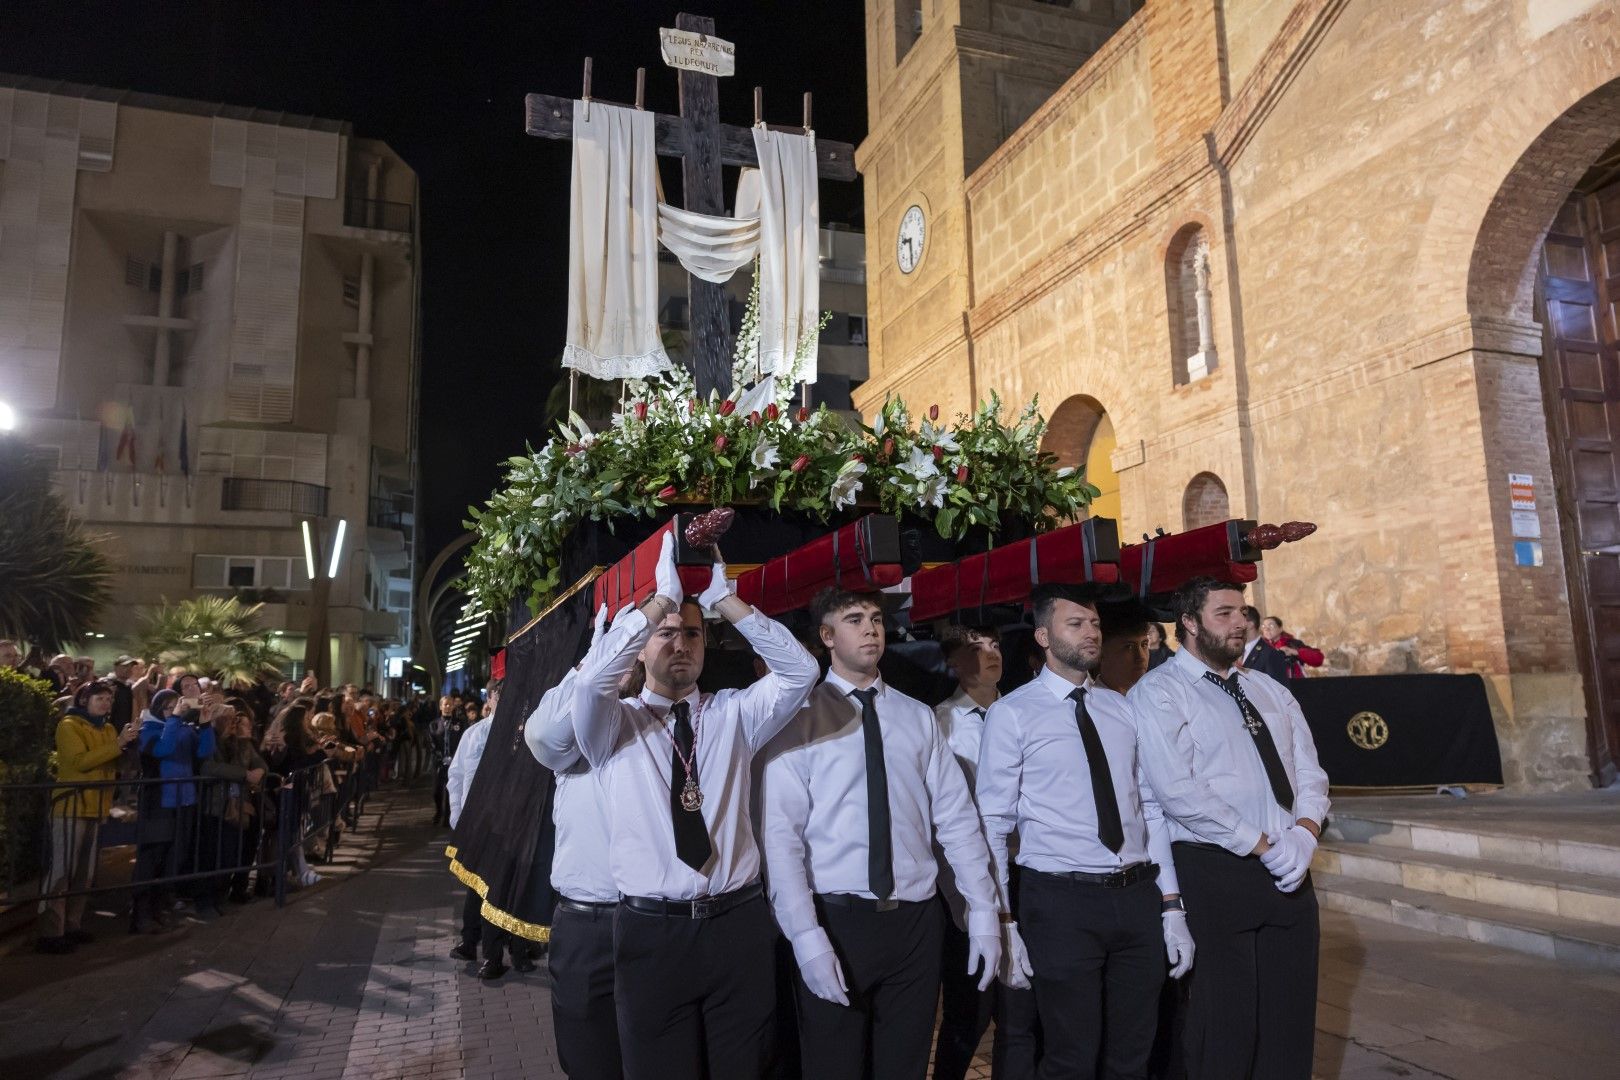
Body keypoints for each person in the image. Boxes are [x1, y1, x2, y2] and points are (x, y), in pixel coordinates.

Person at [572, 534, 819, 1080]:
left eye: (692, 632)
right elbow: (590, 687)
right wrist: (657, 602)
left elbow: (801, 673)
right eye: (666, 634)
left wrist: (725, 601)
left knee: (746, 1069)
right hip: (652, 933)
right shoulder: (615, 725)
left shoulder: (734, 713)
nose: (680, 643)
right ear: (641, 647)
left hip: (738, 924)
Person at [763, 592, 1000, 1080]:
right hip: (837, 918)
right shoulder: (797, 719)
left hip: (915, 924)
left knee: (905, 1066)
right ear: (827, 637)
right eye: (854, 620)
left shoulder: (916, 717)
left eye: (875, 619)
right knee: (834, 1067)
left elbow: (956, 822)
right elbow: (781, 840)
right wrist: (806, 936)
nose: (871, 628)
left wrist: (982, 910)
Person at [978, 583, 1194, 1080]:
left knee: (1133, 1056)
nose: (1091, 632)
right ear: (1042, 636)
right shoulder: (1013, 714)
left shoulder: (1120, 708)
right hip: (1059, 902)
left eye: (1094, 623)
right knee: (1070, 1056)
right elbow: (993, 823)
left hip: (1136, 895)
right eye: (1075, 623)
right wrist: (1004, 920)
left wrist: (1171, 904)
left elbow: (1150, 810)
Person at [1130, 578, 1330, 1080]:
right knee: (1224, 1025)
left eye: (1242, 612)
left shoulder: (1269, 688)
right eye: (1224, 613)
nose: (1241, 622)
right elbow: (1179, 791)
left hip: (1290, 866)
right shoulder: (1159, 692)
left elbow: (1310, 771)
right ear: (1190, 624)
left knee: (1290, 1022)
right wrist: (1262, 846)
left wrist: (1304, 832)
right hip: (1216, 870)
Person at [930, 624, 1038, 1080]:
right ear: (954, 662)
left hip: (1028, 872)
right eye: (977, 648)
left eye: (995, 645)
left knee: (1025, 1008)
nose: (991, 653)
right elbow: (943, 820)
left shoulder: (1023, 712)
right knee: (968, 1011)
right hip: (971, 879)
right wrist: (964, 900)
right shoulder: (942, 723)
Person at [527, 604, 630, 1080]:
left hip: (650, 920)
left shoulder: (657, 720)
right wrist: (592, 660)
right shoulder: (568, 736)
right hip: (587, 923)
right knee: (589, 1059)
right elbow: (544, 733)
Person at [39, 680, 138, 953]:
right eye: (100, 699)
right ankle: (50, 931)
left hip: (96, 807)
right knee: (62, 870)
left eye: (108, 699)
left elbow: (112, 761)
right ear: (85, 700)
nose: (105, 703)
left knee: (85, 872)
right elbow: (80, 761)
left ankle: (72, 924)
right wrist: (117, 744)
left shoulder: (107, 728)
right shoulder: (69, 725)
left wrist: (128, 746)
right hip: (71, 806)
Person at [447, 678, 515, 980]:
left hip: (504, 825)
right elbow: (457, 776)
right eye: (500, 696)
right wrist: (458, 817)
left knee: (494, 890)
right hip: (475, 823)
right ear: (491, 698)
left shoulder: (517, 736)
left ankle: (493, 954)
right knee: (474, 886)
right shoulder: (474, 734)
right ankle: (469, 941)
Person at [200, 706, 269, 914]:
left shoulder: (240, 744)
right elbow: (208, 767)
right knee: (212, 856)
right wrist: (244, 774)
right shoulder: (210, 740)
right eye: (229, 720)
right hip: (214, 806)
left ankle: (220, 896)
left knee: (230, 855)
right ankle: (207, 900)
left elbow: (261, 765)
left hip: (236, 806)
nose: (233, 724)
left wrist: (258, 770)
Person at [429, 696, 467, 826]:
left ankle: (448, 816)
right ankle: (438, 811)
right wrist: (441, 757)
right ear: (440, 706)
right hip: (439, 763)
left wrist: (454, 757)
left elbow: (463, 741)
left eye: (450, 704)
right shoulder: (434, 724)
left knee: (450, 790)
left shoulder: (459, 723)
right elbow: (432, 743)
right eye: (445, 704)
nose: (448, 707)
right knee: (436, 790)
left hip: (454, 762)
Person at [1259, 617, 1324, 680]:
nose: (1266, 629)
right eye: (1263, 626)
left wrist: (1294, 652)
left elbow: (1318, 659)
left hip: (1293, 684)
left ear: (1280, 629)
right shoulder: (1260, 647)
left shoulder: (1292, 643)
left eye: (1271, 625)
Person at [1237, 606, 1290, 682]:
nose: (1234, 626)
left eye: (1238, 622)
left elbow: (1279, 690)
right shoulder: (1236, 651)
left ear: (1250, 624)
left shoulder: (1270, 654)